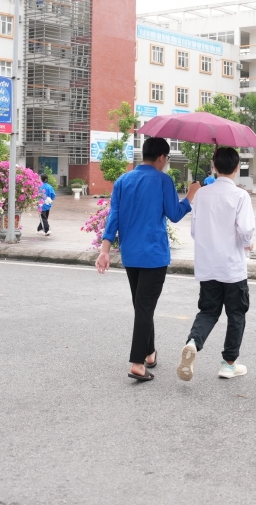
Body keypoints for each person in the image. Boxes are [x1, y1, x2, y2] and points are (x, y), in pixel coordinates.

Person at [95, 137, 200, 382]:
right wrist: (190, 197)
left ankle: (150, 353)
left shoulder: (123, 180)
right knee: (144, 307)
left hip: (131, 255)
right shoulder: (164, 180)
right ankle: (137, 363)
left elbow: (114, 216)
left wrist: (105, 249)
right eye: (167, 159)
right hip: (154, 256)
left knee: (143, 306)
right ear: (162, 157)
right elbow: (174, 215)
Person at [177, 147, 255, 382]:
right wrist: (247, 243)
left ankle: (193, 342)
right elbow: (246, 230)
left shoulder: (201, 195)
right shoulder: (241, 196)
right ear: (236, 166)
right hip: (232, 267)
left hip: (208, 266)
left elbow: (194, 231)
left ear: (214, 165)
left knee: (208, 311)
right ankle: (228, 364)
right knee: (236, 314)